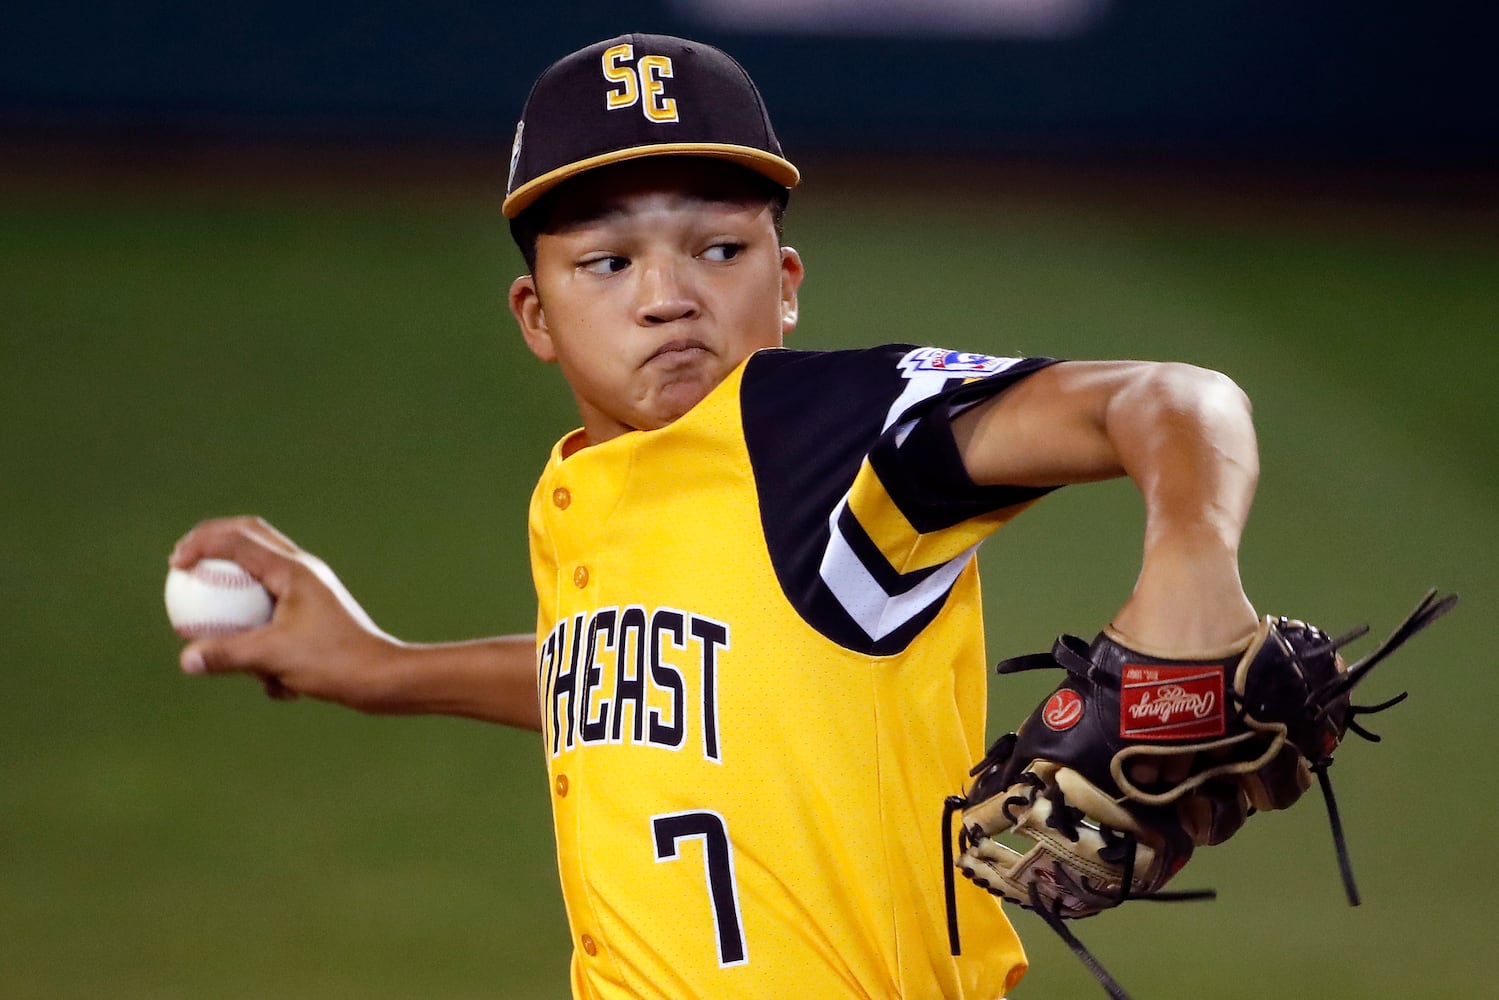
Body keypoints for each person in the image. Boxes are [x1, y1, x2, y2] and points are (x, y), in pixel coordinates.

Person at [170, 32, 1261, 1000]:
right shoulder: (588, 487)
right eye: (605, 262)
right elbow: (654, 689)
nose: (666, 295)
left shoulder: (825, 437)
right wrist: (380, 667)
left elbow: (1169, 397)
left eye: (718, 250)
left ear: (784, 284)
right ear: (533, 313)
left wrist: (1190, 568)